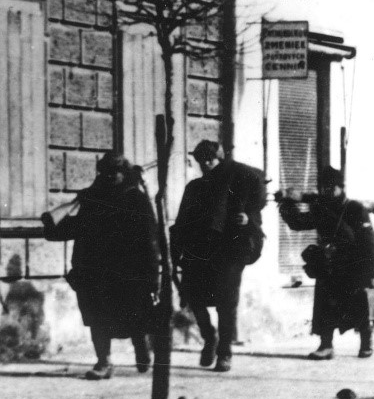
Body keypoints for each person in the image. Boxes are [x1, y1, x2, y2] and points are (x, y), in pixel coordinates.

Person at [42, 152, 159, 379]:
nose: (110, 176)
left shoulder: (135, 198)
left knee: (134, 316)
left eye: (115, 172)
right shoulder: (92, 199)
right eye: (105, 172)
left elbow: (150, 239)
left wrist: (153, 277)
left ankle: (141, 347)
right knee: (97, 317)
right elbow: (73, 229)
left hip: (128, 270)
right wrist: (54, 220)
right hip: (94, 269)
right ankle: (103, 362)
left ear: (124, 173)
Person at [171, 140, 267, 373]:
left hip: (229, 250)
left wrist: (248, 217)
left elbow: (258, 199)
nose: (205, 164)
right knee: (193, 297)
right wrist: (177, 251)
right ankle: (209, 337)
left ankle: (224, 353)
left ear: (219, 158)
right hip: (200, 250)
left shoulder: (238, 179)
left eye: (210, 159)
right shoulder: (195, 187)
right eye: (201, 160)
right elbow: (182, 220)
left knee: (226, 303)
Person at [278, 170, 374, 359]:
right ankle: (326, 346)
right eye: (324, 187)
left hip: (355, 264)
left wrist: (371, 270)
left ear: (341, 187)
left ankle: (366, 343)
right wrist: (286, 204)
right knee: (325, 304)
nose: (328, 191)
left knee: (361, 303)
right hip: (331, 264)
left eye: (332, 187)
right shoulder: (321, 208)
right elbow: (299, 223)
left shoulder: (355, 208)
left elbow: (370, 242)